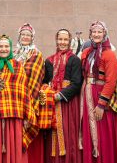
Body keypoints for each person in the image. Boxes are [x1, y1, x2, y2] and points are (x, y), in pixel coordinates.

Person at [80, 20, 117, 163]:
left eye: (99, 32)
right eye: (94, 32)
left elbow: (111, 81)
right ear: (90, 34)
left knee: (102, 130)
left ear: (104, 34)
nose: (96, 34)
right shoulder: (86, 52)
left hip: (100, 95)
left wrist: (102, 104)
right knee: (88, 129)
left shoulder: (109, 55)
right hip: (87, 94)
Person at [43, 29, 82, 163]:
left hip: (68, 103)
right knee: (52, 135)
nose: (62, 42)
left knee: (67, 133)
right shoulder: (49, 61)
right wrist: (47, 91)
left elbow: (77, 83)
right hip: (52, 102)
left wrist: (59, 95)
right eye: (60, 39)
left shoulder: (74, 60)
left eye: (65, 40)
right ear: (56, 40)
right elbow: (45, 81)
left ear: (69, 41)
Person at [13, 23, 45, 162]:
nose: (25, 37)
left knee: (25, 129)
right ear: (19, 36)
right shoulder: (12, 53)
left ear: (32, 37)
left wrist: (29, 103)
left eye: (28, 35)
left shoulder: (37, 54)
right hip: (12, 98)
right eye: (23, 34)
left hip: (28, 97)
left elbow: (36, 79)